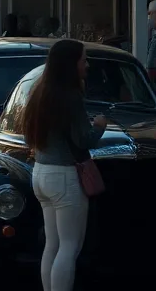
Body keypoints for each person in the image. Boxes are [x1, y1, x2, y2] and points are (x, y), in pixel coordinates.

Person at [20, 39, 107, 291]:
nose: (87, 65)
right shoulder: (70, 97)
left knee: (53, 244)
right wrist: (99, 126)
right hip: (65, 176)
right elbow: (83, 139)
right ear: (71, 64)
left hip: (41, 171)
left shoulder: (40, 92)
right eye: (83, 59)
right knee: (70, 247)